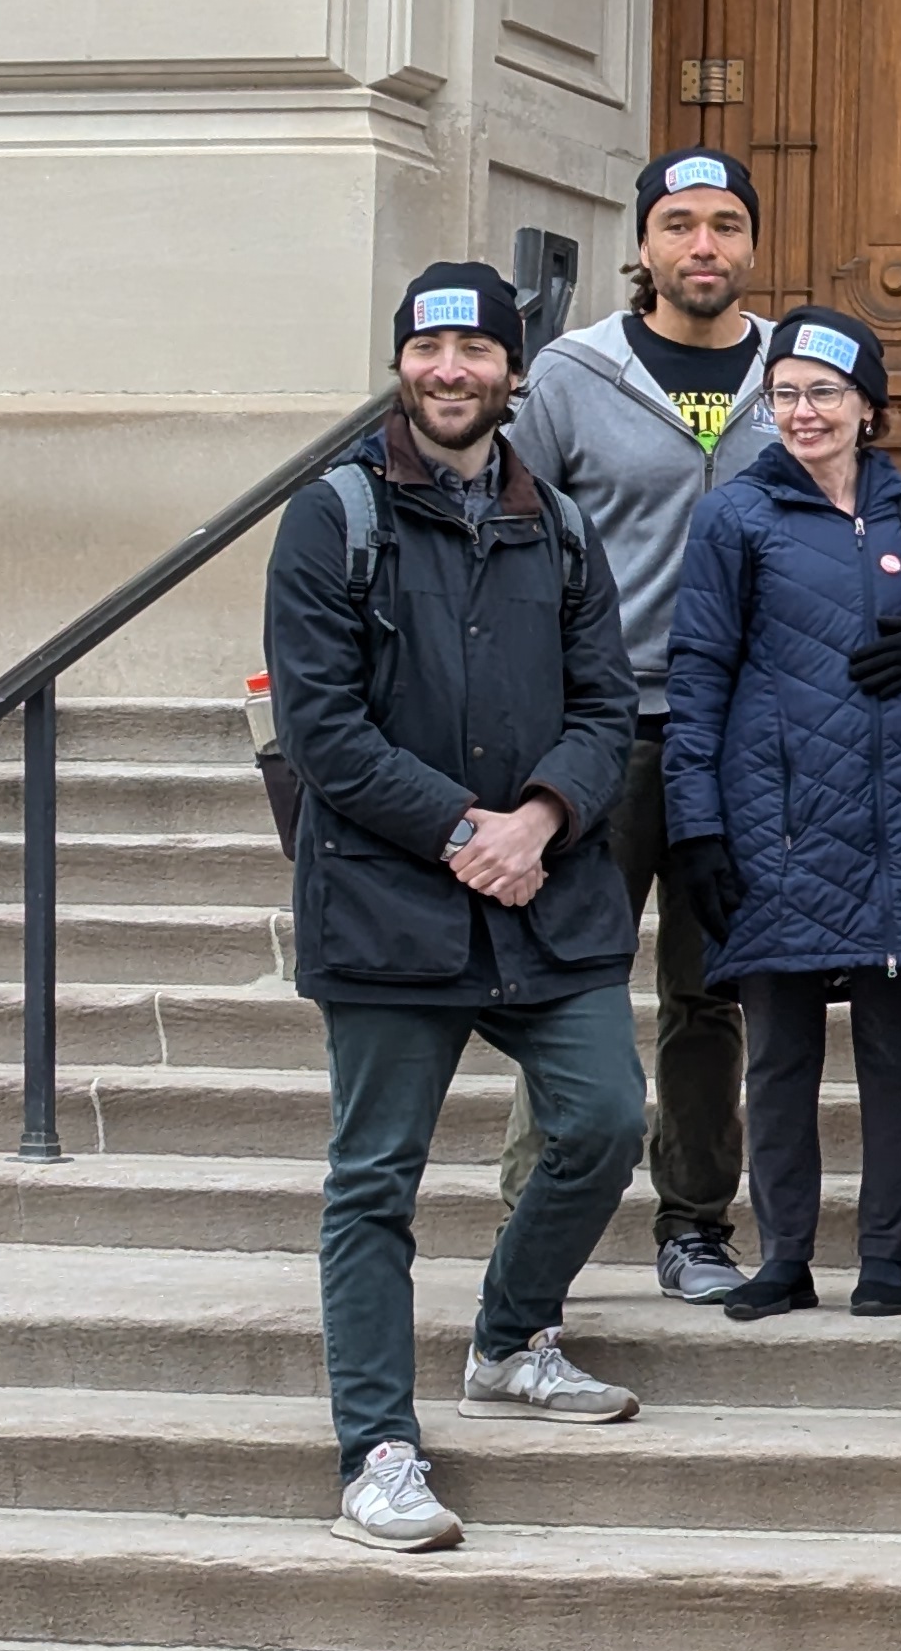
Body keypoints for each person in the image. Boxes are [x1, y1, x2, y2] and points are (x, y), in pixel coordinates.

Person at [267, 262, 646, 1556]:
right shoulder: (333, 518)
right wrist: (457, 829)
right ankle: (378, 1450)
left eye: (474, 353)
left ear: (511, 372)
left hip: (543, 898)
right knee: (374, 1185)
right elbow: (320, 726)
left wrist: (538, 819)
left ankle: (506, 1334)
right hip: (388, 907)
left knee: (605, 1121)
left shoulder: (565, 527)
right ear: (401, 367)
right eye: (428, 354)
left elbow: (608, 709)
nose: (449, 374)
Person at [496, 147, 782, 1306]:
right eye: (680, 225)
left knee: (712, 993)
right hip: (600, 733)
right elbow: (508, 545)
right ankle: (538, 1217)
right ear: (645, 245)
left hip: (743, 741)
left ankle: (697, 1221)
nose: (702, 246)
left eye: (724, 225)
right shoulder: (572, 375)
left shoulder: (795, 370)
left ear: (751, 243)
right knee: (569, 980)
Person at [659, 306, 901, 1324]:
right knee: (782, 1054)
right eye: (785, 393)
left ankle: (886, 1257)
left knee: (897, 1053)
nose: (803, 412)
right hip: (774, 821)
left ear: (868, 406)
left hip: (898, 828)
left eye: (824, 393)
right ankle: (783, 1255)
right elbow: (699, 672)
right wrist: (695, 826)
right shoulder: (735, 517)